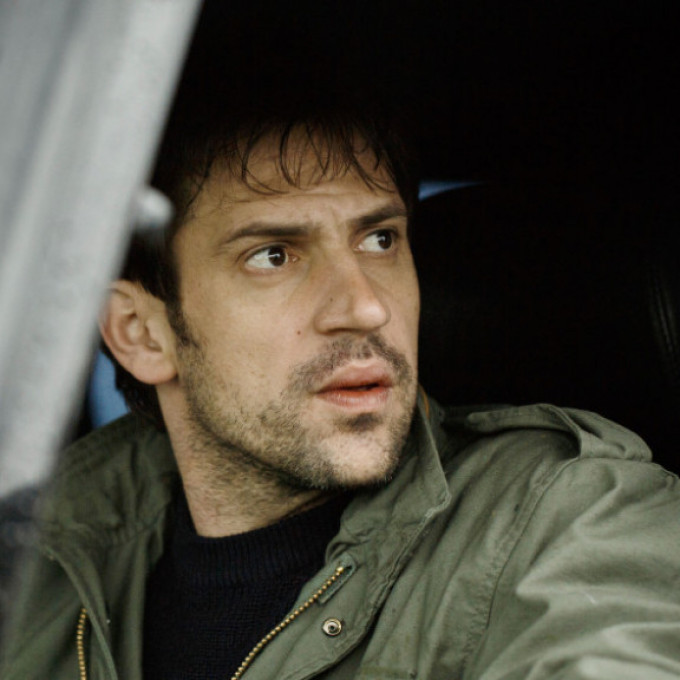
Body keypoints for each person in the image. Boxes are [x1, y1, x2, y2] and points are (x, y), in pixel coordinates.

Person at [4, 83, 680, 680]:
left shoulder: (571, 518)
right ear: (142, 334)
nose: (364, 307)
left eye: (380, 239)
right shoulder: (36, 558)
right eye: (274, 255)